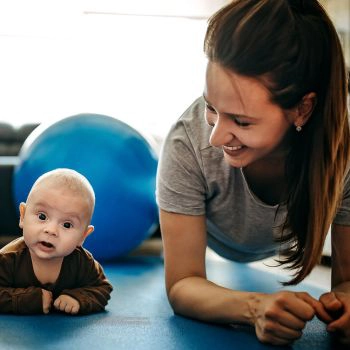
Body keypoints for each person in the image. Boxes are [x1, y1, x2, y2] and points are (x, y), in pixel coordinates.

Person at [156, 0, 350, 346]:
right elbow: (182, 283)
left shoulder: (342, 156)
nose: (216, 138)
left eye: (242, 121)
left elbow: (347, 282)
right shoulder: (188, 144)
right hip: (201, 218)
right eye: (211, 107)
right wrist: (252, 307)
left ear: (302, 109)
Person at [0, 168, 113, 315]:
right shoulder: (8, 259)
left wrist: (79, 299)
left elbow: (102, 288)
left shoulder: (82, 262)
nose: (51, 230)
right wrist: (28, 299)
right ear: (23, 216)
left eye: (67, 225)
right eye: (42, 216)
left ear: (82, 236)